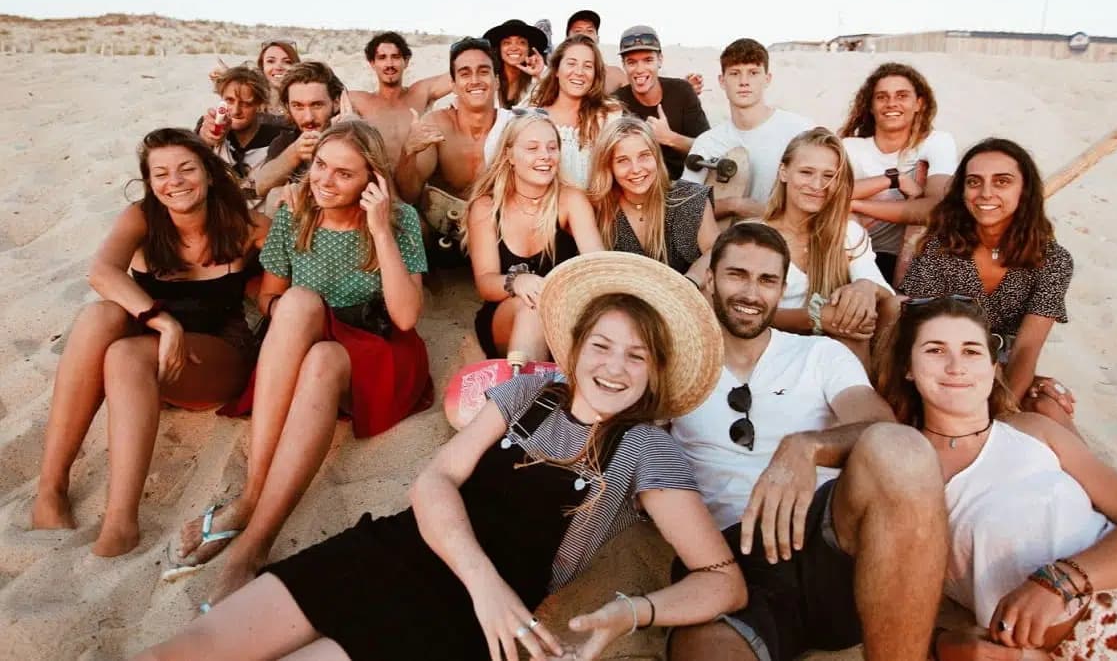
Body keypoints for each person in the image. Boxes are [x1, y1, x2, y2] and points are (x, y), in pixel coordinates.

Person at [133, 252, 748, 661]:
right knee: (191, 650)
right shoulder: (529, 392)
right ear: (577, 347)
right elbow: (435, 480)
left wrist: (632, 611)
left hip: (457, 619)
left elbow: (723, 583)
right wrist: (482, 580)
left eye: (636, 356)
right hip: (399, 550)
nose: (614, 368)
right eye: (603, 345)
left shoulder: (646, 450)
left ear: (656, 370)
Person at [171, 121, 431, 605]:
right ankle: (252, 499)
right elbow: (269, 296)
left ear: (371, 180)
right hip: (316, 347)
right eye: (320, 166)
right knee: (304, 320)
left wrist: (379, 230)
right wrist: (302, 316)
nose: (325, 181)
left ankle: (252, 544)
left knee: (315, 331)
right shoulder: (296, 214)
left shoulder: (400, 220)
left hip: (379, 352)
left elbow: (406, 316)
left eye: (344, 174)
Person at [668, 222, 948, 661]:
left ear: (781, 291)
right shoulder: (675, 366)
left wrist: (807, 446)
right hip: (729, 558)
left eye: (767, 281)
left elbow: (882, 427)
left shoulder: (818, 354)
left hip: (825, 539)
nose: (751, 293)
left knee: (904, 451)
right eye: (737, 275)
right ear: (710, 278)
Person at [876, 296, 1117, 660]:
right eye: (935, 350)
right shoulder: (905, 468)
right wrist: (950, 646)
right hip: (1079, 650)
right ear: (908, 367)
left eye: (971, 351)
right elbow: (898, 609)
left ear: (993, 367)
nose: (956, 367)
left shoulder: (1031, 430)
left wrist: (1058, 582)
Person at [31, 129, 267, 556]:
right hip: (149, 354)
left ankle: (121, 521)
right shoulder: (142, 217)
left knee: (126, 352)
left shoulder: (244, 224)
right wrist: (164, 323)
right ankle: (50, 489)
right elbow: (101, 272)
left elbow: (292, 267)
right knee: (101, 315)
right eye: (160, 174)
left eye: (185, 169)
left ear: (210, 174)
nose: (173, 182)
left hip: (215, 356)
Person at [901, 138, 1076, 427]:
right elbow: (920, 334)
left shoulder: (1053, 260)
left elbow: (1026, 348)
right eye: (974, 182)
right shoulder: (940, 248)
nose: (985, 193)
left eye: (1002, 182)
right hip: (945, 365)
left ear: (1025, 189)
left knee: (1047, 405)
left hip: (1007, 368)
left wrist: (1003, 411)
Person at [466, 111, 604, 363]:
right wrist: (516, 282)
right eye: (532, 148)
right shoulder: (486, 207)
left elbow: (597, 267)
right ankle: (525, 396)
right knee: (531, 308)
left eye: (552, 148)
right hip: (505, 318)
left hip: (563, 318)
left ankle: (523, 392)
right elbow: (485, 283)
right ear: (509, 156)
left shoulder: (571, 201)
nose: (545, 156)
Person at [760, 128, 897, 367]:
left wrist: (866, 286)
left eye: (829, 176)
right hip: (770, 349)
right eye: (806, 172)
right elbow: (736, 310)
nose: (817, 185)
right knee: (849, 324)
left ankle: (867, 390)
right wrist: (815, 318)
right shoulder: (755, 236)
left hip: (831, 353)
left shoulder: (847, 232)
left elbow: (888, 301)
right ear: (784, 172)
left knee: (871, 308)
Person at [839, 63, 957, 285]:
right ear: (871, 106)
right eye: (882, 97)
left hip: (910, 261)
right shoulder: (850, 148)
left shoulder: (936, 142)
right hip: (848, 255)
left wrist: (855, 204)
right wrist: (893, 179)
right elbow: (826, 194)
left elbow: (937, 208)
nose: (891, 103)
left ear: (919, 104)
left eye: (902, 95)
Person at [680, 39, 814, 221]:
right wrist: (734, 205)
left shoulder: (801, 131)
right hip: (726, 243)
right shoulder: (708, 142)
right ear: (722, 81)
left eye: (753, 73)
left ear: (767, 79)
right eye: (735, 74)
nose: (744, 82)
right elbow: (685, 208)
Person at [394, 37, 513, 218]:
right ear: (454, 86)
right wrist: (409, 151)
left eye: (483, 72)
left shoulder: (512, 127)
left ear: (496, 81)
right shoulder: (437, 124)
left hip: (500, 227)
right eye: (465, 74)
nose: (475, 80)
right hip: (444, 232)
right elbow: (409, 195)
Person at [589, 116, 718, 278]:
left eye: (644, 156)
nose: (636, 169)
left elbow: (715, 252)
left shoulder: (690, 198)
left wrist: (690, 282)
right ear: (608, 167)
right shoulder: (598, 209)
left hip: (686, 298)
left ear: (656, 157)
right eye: (623, 160)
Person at [613, 25, 711, 179]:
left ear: (660, 60)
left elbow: (710, 150)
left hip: (685, 184)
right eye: (632, 62)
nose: (640, 69)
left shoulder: (682, 91)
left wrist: (670, 138)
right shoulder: (616, 103)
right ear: (623, 65)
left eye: (648, 60)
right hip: (638, 187)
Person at [341, 31, 453, 162]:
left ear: (405, 61)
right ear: (372, 63)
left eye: (395, 57)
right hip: (377, 180)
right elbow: (323, 96)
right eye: (382, 58)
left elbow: (460, 73)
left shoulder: (420, 93)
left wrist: (482, 44)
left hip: (417, 180)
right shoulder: (358, 100)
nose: (389, 64)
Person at [530, 34, 622, 188]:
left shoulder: (609, 117)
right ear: (556, 71)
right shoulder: (534, 118)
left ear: (595, 75)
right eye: (571, 63)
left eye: (587, 66)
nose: (579, 72)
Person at [254, 61, 345, 203]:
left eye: (317, 105)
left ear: (336, 102)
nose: (308, 117)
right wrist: (295, 153)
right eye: (298, 106)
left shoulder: (353, 135)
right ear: (288, 107)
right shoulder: (287, 139)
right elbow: (260, 187)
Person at [197, 65, 291, 202]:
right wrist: (204, 140)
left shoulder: (278, 136)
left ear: (259, 104)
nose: (236, 111)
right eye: (229, 101)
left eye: (246, 104)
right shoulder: (209, 125)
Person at [208, 39, 300, 119]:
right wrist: (225, 77)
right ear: (262, 66)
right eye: (271, 61)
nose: (279, 67)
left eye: (287, 62)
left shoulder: (304, 100)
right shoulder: (252, 98)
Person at [484, 18, 550, 109]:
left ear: (529, 49)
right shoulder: (489, 78)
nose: (514, 48)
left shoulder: (539, 78)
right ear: (499, 49)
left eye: (521, 43)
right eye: (507, 43)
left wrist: (540, 73)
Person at [564, 8, 629, 94]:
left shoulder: (615, 74)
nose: (584, 35)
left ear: (597, 39)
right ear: (567, 39)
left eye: (590, 31)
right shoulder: (557, 74)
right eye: (578, 31)